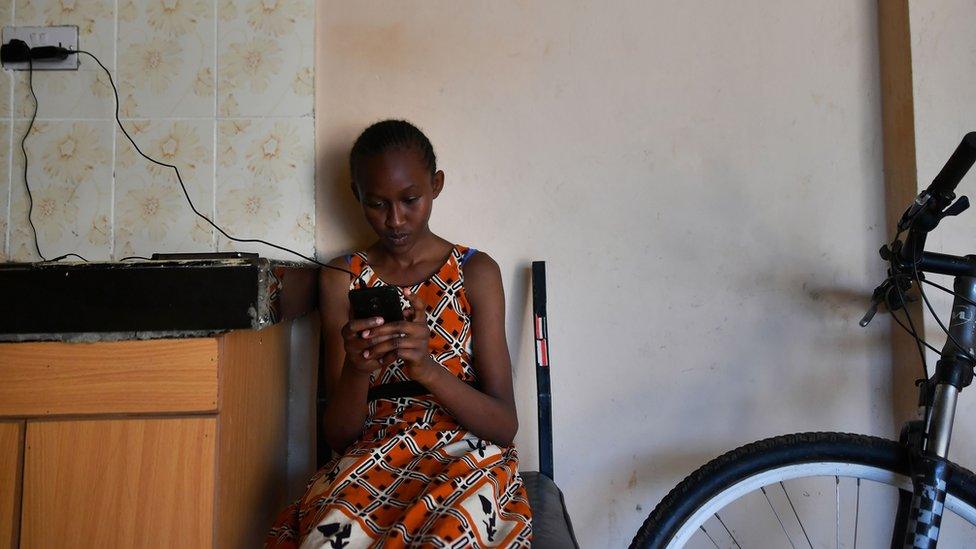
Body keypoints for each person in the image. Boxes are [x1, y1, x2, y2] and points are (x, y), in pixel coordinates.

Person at [266, 120, 532, 548]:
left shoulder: (475, 272)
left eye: (410, 200)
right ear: (356, 195)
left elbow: (504, 426)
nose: (394, 220)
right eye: (376, 203)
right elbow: (338, 436)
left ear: (436, 185)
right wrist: (356, 369)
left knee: (448, 537)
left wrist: (426, 369)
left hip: (464, 456)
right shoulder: (343, 277)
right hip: (373, 453)